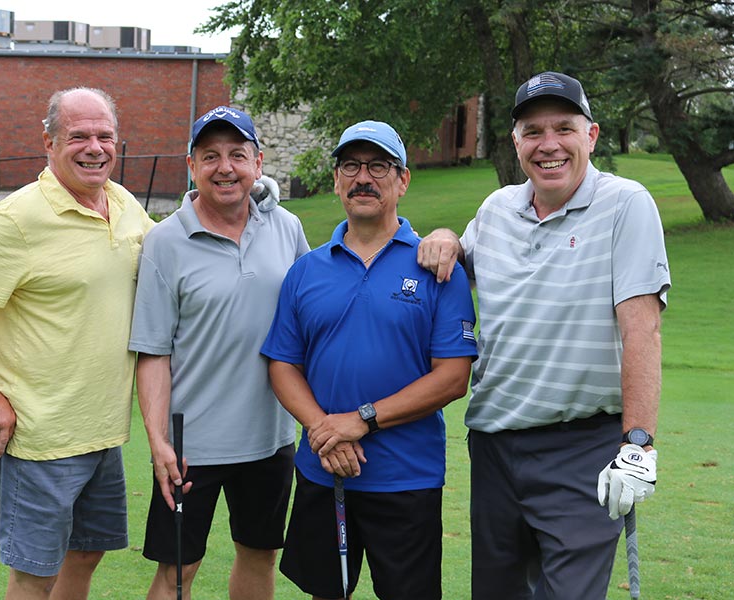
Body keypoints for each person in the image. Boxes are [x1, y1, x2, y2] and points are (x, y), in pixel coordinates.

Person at [417, 71, 671, 599]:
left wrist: (639, 443)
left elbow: (642, 326)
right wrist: (443, 236)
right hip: (494, 447)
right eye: (533, 131)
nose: (548, 144)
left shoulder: (626, 203)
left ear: (591, 136)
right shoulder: (496, 210)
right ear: (516, 143)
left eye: (563, 128)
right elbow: (456, 260)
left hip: (583, 448)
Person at [0, 87, 154, 600]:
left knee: (86, 553)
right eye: (79, 136)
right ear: (48, 142)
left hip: (103, 430)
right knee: (35, 574)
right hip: (38, 436)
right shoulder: (17, 218)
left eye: (105, 135)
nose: (95, 147)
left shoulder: (124, 204)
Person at [261, 120, 479, 600]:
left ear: (402, 180)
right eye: (351, 166)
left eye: (379, 166)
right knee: (326, 592)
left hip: (405, 478)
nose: (363, 177)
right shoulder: (306, 270)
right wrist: (324, 429)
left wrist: (361, 420)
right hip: (322, 469)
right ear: (336, 180)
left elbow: (452, 377)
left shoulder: (436, 268)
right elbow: (283, 364)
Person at [128, 105, 310, 600]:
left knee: (258, 555)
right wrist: (158, 441)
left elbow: (311, 317)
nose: (224, 167)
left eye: (237, 155)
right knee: (177, 571)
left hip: (270, 438)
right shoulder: (165, 241)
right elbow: (153, 352)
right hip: (190, 447)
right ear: (192, 166)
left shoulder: (286, 227)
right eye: (210, 156)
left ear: (258, 162)